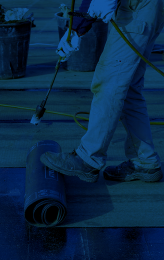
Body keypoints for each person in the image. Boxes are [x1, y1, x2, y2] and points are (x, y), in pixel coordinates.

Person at [40, 0, 164, 183]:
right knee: (129, 88)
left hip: (138, 7)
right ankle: (145, 161)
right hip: (146, 6)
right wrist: (75, 29)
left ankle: (88, 158)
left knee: (109, 81)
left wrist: (76, 28)